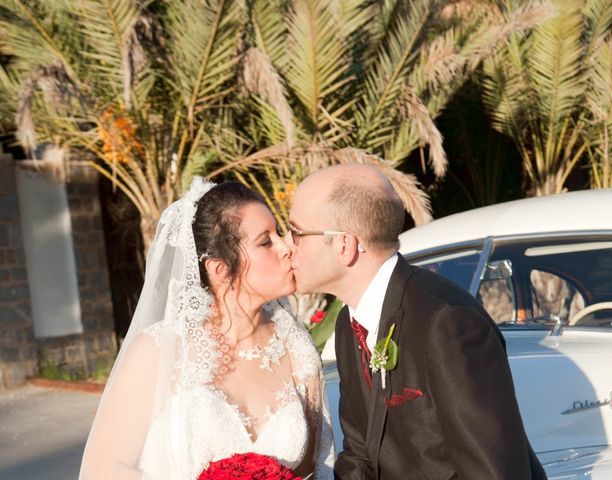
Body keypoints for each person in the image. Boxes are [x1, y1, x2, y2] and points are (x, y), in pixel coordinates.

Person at [286, 164, 547, 480]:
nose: (288, 246)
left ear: (345, 245)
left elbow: (494, 473)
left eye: (296, 233)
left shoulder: (447, 323)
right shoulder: (347, 323)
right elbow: (359, 455)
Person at [80, 179, 334, 479]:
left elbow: (313, 470)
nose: (286, 247)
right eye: (266, 242)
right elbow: (105, 470)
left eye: (279, 235)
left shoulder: (297, 351)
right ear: (220, 269)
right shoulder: (159, 349)